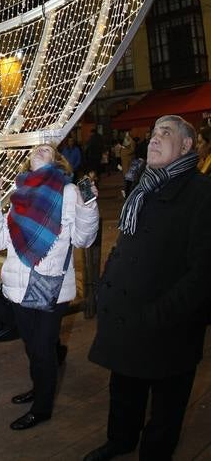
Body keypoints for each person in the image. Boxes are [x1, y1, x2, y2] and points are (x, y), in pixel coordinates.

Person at [84, 115, 211, 461]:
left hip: (169, 323)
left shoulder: (202, 193)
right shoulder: (144, 185)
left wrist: (158, 314)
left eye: (166, 133)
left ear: (186, 146)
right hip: (127, 313)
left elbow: (203, 275)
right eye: (154, 133)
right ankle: (120, 440)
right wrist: (108, 283)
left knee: (167, 404)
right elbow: (127, 241)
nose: (154, 138)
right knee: (124, 386)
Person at [0, 143, 99, 430]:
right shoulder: (18, 194)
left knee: (43, 349)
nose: (41, 149)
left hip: (50, 286)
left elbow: (83, 239)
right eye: (36, 148)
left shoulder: (68, 191)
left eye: (48, 148)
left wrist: (89, 207)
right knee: (32, 347)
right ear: (28, 162)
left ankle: (42, 407)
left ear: (58, 160)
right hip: (17, 286)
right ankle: (39, 388)